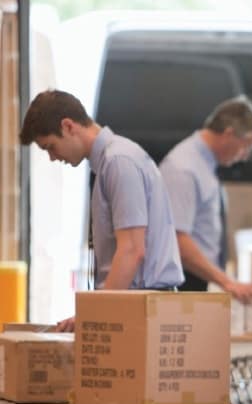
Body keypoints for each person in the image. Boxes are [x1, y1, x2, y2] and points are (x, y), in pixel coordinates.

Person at [20, 89, 184, 331]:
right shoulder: (112, 161)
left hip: (141, 306)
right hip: (134, 302)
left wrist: (95, 315)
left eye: (50, 147)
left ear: (68, 126)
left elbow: (132, 250)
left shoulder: (118, 161)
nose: (53, 158)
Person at [159, 96, 252, 304]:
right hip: (184, 284)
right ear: (229, 134)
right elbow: (177, 240)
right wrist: (228, 283)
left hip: (198, 279)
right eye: (246, 146)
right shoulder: (183, 168)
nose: (245, 156)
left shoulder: (204, 165)